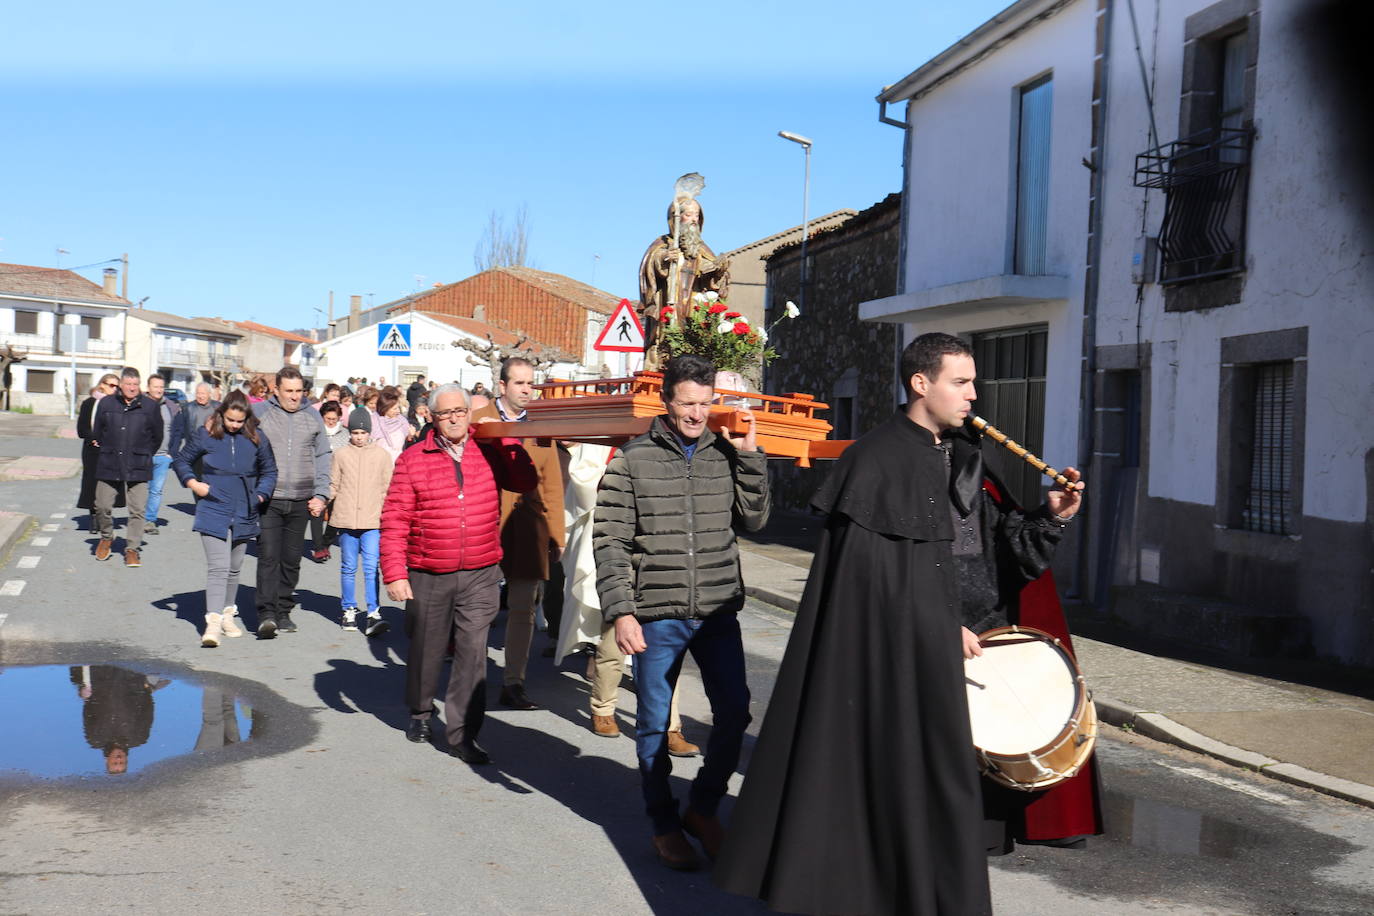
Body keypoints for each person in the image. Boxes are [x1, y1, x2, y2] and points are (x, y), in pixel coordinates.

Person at [717, 333, 1078, 914]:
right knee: (883, 786)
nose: (973, 394)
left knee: (937, 793)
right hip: (886, 657)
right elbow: (867, 581)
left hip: (937, 648)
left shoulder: (954, 455)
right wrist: (936, 623)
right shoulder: (877, 457)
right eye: (960, 382)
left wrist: (1051, 520)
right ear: (920, 383)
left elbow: (975, 555)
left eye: (973, 382)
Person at [593, 354, 768, 870]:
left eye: (705, 403)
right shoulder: (632, 460)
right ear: (667, 401)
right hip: (656, 615)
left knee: (735, 712)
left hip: (717, 610)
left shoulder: (724, 451)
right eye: (687, 403)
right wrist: (622, 611)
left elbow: (755, 520)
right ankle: (665, 823)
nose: (697, 413)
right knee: (651, 726)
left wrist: (752, 458)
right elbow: (610, 541)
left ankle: (704, 808)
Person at [381, 384, 537, 765]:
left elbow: (525, 481)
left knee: (472, 655)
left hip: (481, 573)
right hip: (428, 573)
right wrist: (395, 573)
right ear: (431, 418)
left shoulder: (488, 451)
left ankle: (463, 734)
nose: (453, 418)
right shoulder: (413, 459)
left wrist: (506, 443)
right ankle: (420, 712)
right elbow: (395, 519)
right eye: (445, 413)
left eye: (460, 411)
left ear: (470, 413)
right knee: (426, 649)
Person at [471, 357, 566, 710]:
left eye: (531, 384)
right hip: (485, 526)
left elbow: (552, 484)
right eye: (520, 383)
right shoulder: (479, 424)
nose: (527, 390)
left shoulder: (541, 427)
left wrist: (557, 535)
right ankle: (473, 677)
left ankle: (514, 682)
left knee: (524, 608)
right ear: (502, 386)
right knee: (478, 607)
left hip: (528, 527)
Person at [174, 391, 278, 647]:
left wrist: (261, 495)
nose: (234, 425)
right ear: (222, 414)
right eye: (230, 419)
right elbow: (182, 460)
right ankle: (212, 624)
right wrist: (194, 484)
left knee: (234, 568)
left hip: (245, 508)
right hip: (213, 507)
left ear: (246, 418)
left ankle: (228, 615)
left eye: (239, 421)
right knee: (218, 567)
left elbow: (270, 470)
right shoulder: (206, 434)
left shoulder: (256, 437)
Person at [251, 366, 331, 638]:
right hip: (269, 499)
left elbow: (322, 456)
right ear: (277, 390)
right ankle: (266, 614)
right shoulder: (260, 414)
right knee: (268, 557)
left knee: (291, 560)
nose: (295, 397)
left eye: (299, 391)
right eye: (289, 391)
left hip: (301, 500)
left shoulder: (312, 417)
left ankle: (284, 610)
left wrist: (321, 494)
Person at [639, 195, 731, 367]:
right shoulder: (663, 244)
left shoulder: (702, 249)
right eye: (689, 214)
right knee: (666, 339)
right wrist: (664, 258)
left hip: (692, 302)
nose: (694, 220)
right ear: (676, 217)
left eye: (697, 215)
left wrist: (718, 271)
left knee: (694, 340)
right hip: (669, 300)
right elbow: (650, 265)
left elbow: (711, 279)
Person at [331, 407, 394, 635]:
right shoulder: (340, 455)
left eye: (362, 432)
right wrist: (320, 500)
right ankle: (348, 609)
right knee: (348, 567)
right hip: (347, 519)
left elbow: (389, 488)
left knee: (370, 567)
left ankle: (373, 612)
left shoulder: (381, 455)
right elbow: (333, 485)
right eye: (355, 432)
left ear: (369, 432)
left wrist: (388, 512)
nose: (359, 437)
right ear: (350, 432)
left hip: (372, 521)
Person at [91, 367, 163, 567]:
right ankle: (107, 537)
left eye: (135, 384)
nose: (132, 388)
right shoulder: (106, 403)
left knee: (137, 510)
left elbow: (157, 436)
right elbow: (97, 431)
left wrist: (145, 452)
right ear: (120, 385)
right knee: (102, 505)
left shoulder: (150, 406)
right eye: (128, 384)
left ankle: (131, 548)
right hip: (110, 461)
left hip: (138, 463)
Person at [142, 374, 183, 536]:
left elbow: (179, 431)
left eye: (161, 387)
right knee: (139, 489)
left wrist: (172, 453)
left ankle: (149, 520)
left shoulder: (171, 406)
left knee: (156, 490)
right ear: (148, 388)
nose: (159, 390)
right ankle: (137, 518)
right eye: (155, 386)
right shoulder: (139, 405)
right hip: (142, 456)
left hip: (163, 457)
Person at [76, 374, 120, 523]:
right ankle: (94, 516)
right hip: (92, 449)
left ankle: (105, 515)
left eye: (117, 386)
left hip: (111, 449)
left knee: (108, 483)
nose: (114, 389)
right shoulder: (89, 403)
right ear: (102, 384)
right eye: (111, 385)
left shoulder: (118, 404)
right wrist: (93, 438)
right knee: (92, 483)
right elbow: (82, 429)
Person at [310, 399, 348, 562]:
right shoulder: (316, 432)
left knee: (335, 516)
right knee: (317, 512)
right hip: (319, 477)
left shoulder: (345, 434)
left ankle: (326, 542)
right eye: (328, 419)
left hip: (339, 480)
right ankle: (318, 548)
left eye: (334, 419)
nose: (331, 422)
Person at [371, 386, 414, 462]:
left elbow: (408, 445)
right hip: (379, 463)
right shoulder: (374, 421)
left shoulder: (402, 421)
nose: (398, 411)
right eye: (394, 409)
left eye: (398, 408)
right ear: (385, 409)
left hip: (398, 462)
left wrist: (410, 437)